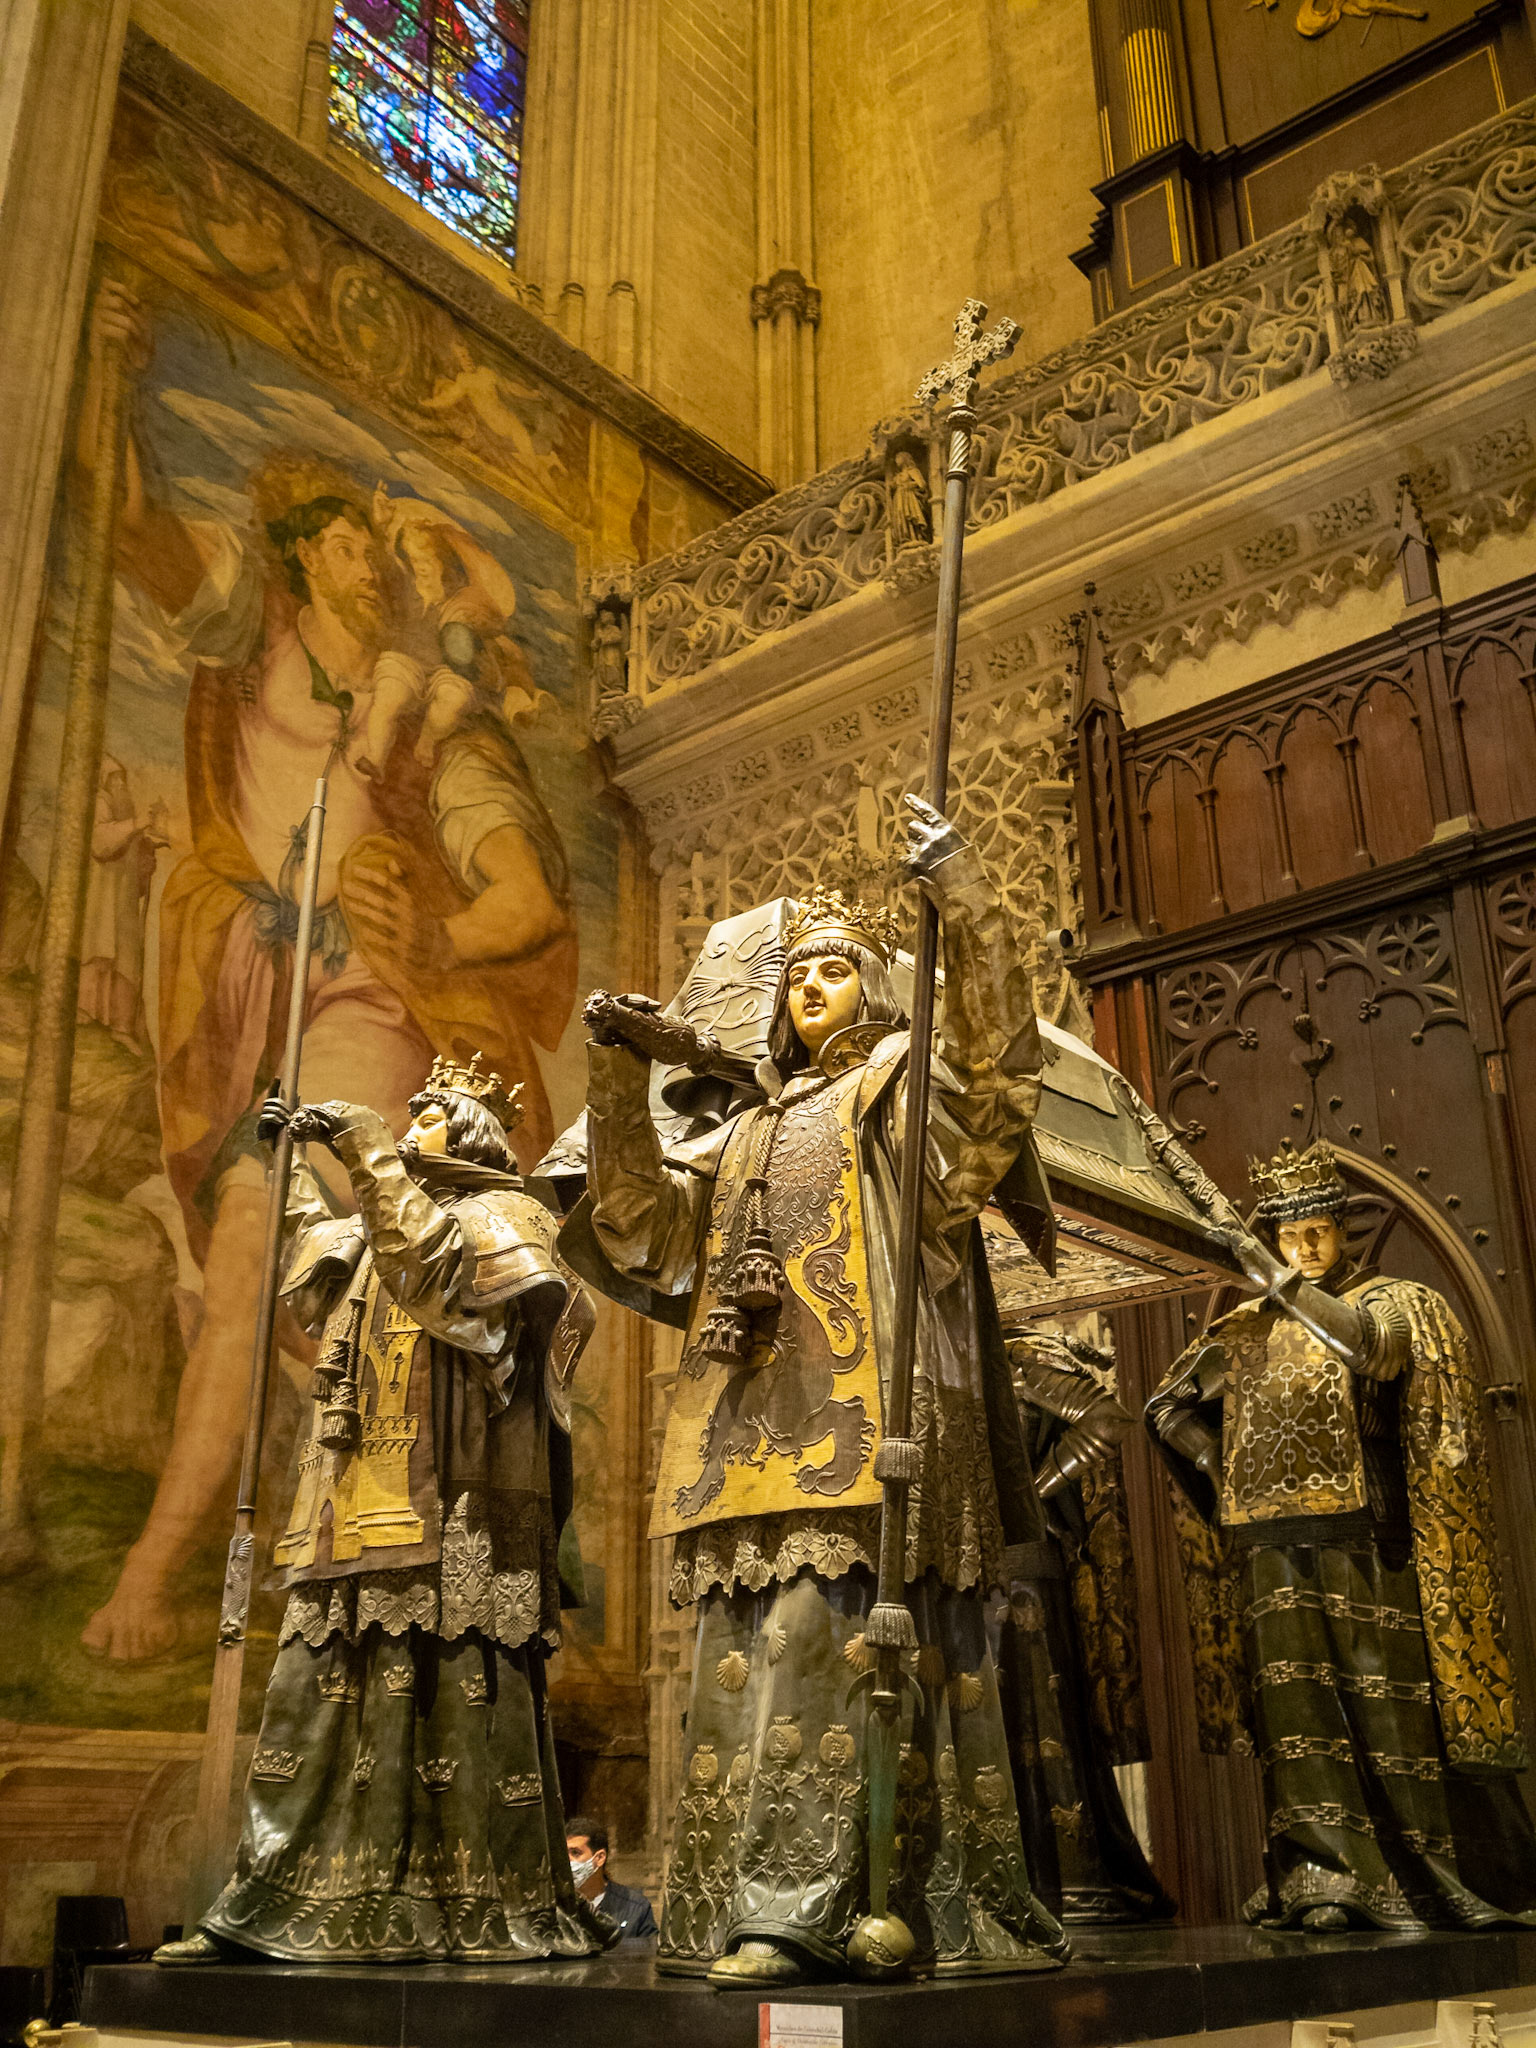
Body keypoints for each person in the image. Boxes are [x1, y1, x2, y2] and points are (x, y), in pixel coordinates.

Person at [75, 279, 576, 1663]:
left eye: (377, 539)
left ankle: (168, 1566)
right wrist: (112, 378)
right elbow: (129, 532)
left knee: (253, 1255)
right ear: (300, 560)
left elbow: (526, 908)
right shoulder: (258, 652)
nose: (371, 559)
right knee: (246, 1275)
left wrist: (428, 938)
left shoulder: (438, 727)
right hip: (248, 1001)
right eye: (346, 538)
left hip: (366, 1013)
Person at [574, 796, 1067, 1985]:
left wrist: (970, 902)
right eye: (797, 971)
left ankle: (812, 1909)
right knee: (742, 1661)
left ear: (880, 991)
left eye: (840, 967)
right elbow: (642, 1230)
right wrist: (613, 1077)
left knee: (824, 1642)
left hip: (870, 1421)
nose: (813, 984)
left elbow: (997, 1082)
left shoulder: (896, 1088)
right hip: (747, 1426)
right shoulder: (742, 1129)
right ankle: (740, 1902)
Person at [154, 1053, 615, 1964]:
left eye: (431, 1112)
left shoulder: (505, 1220)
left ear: (474, 1129)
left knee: (449, 1692)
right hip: (353, 1499)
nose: (410, 1123)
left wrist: (362, 1142)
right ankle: (276, 1893)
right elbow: (314, 1273)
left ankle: (463, 1901)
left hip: (457, 1509)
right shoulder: (378, 1221)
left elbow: (443, 1286)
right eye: (407, 1114)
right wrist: (287, 1168)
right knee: (317, 1696)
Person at [1147, 1137, 1536, 1932]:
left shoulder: (1392, 1301)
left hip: (1370, 1534)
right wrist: (1222, 1469)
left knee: (1388, 1712)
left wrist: (1278, 1282)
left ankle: (1423, 1876)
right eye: (1291, 1237)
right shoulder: (1245, 1327)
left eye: (1319, 1231)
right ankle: (1324, 1878)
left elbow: (1372, 1351)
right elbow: (1165, 1406)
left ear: (1342, 1230)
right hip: (1271, 1543)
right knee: (1301, 1723)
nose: (1306, 1248)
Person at [994, 1328, 1175, 1925]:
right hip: (958, 1560)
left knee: (1041, 1718)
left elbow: (1105, 1420)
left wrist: (1030, 1495)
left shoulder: (1020, 1353)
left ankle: (1070, 1881)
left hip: (1023, 1563)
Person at [566, 1819, 658, 1939]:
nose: (567, 1861)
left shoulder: (636, 1907)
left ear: (599, 1858)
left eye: (575, 1853)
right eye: (564, 1853)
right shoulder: (553, 1907)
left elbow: (650, 1953)